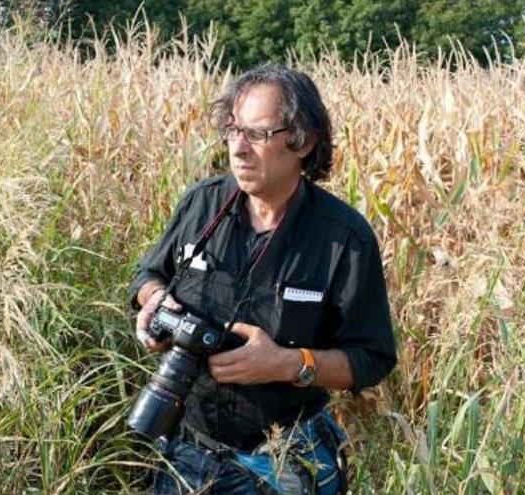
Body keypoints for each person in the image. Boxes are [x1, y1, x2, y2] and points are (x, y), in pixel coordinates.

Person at [130, 63, 396, 494]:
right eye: (233, 129)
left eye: (258, 134)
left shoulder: (343, 238)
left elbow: (371, 359)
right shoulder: (201, 204)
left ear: (303, 142)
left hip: (283, 460)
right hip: (185, 450)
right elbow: (149, 275)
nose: (238, 148)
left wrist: (286, 364)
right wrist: (155, 300)